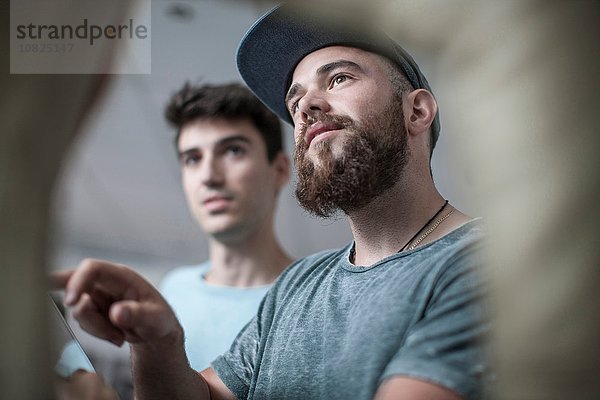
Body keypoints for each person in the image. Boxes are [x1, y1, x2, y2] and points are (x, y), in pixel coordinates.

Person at [53, 4, 489, 400]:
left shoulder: (485, 262)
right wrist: (157, 341)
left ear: (416, 112)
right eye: (294, 99)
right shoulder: (297, 285)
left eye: (338, 78)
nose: (305, 108)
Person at [159, 82, 292, 371]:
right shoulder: (172, 291)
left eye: (233, 151)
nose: (209, 176)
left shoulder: (313, 296)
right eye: (193, 159)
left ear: (279, 170)